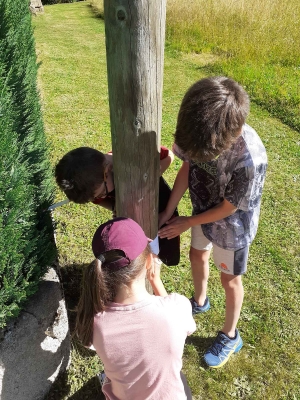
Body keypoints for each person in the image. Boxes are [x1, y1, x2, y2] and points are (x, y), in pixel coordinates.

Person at [158, 76, 267, 368]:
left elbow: (229, 207)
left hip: (232, 228)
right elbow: (186, 166)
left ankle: (230, 335)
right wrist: (170, 209)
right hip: (200, 211)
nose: (194, 155)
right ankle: (200, 301)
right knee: (197, 255)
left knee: (229, 279)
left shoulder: (249, 161)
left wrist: (188, 221)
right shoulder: (197, 133)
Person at [75, 217, 196, 400]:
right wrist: (156, 282)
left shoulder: (94, 321)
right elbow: (186, 327)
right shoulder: (176, 308)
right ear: (149, 263)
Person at [55, 146, 180, 266]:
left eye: (101, 194)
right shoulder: (94, 184)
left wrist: (150, 178)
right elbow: (100, 200)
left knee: (165, 245)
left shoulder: (132, 155)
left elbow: (168, 154)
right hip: (134, 215)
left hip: (161, 207)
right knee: (140, 249)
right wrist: (116, 207)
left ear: (107, 171)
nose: (98, 198)